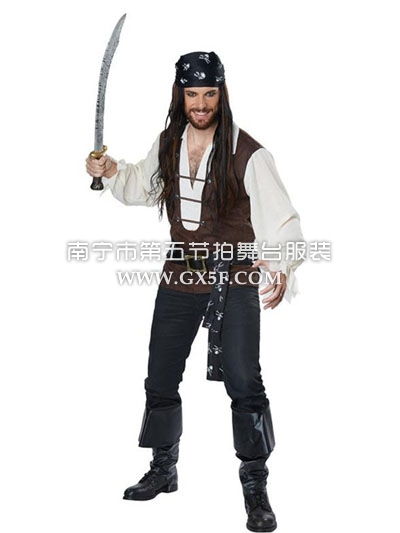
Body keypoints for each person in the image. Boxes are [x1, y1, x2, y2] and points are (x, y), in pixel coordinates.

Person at [86, 51, 304, 532]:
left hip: (234, 274)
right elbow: (143, 186)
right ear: (180, 95)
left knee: (244, 380)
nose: (201, 103)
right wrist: (110, 170)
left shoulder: (248, 153)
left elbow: (283, 217)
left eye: (209, 94)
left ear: (221, 95)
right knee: (161, 373)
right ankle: (164, 468)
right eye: (192, 94)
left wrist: (281, 264)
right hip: (180, 273)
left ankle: (255, 485)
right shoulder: (169, 142)